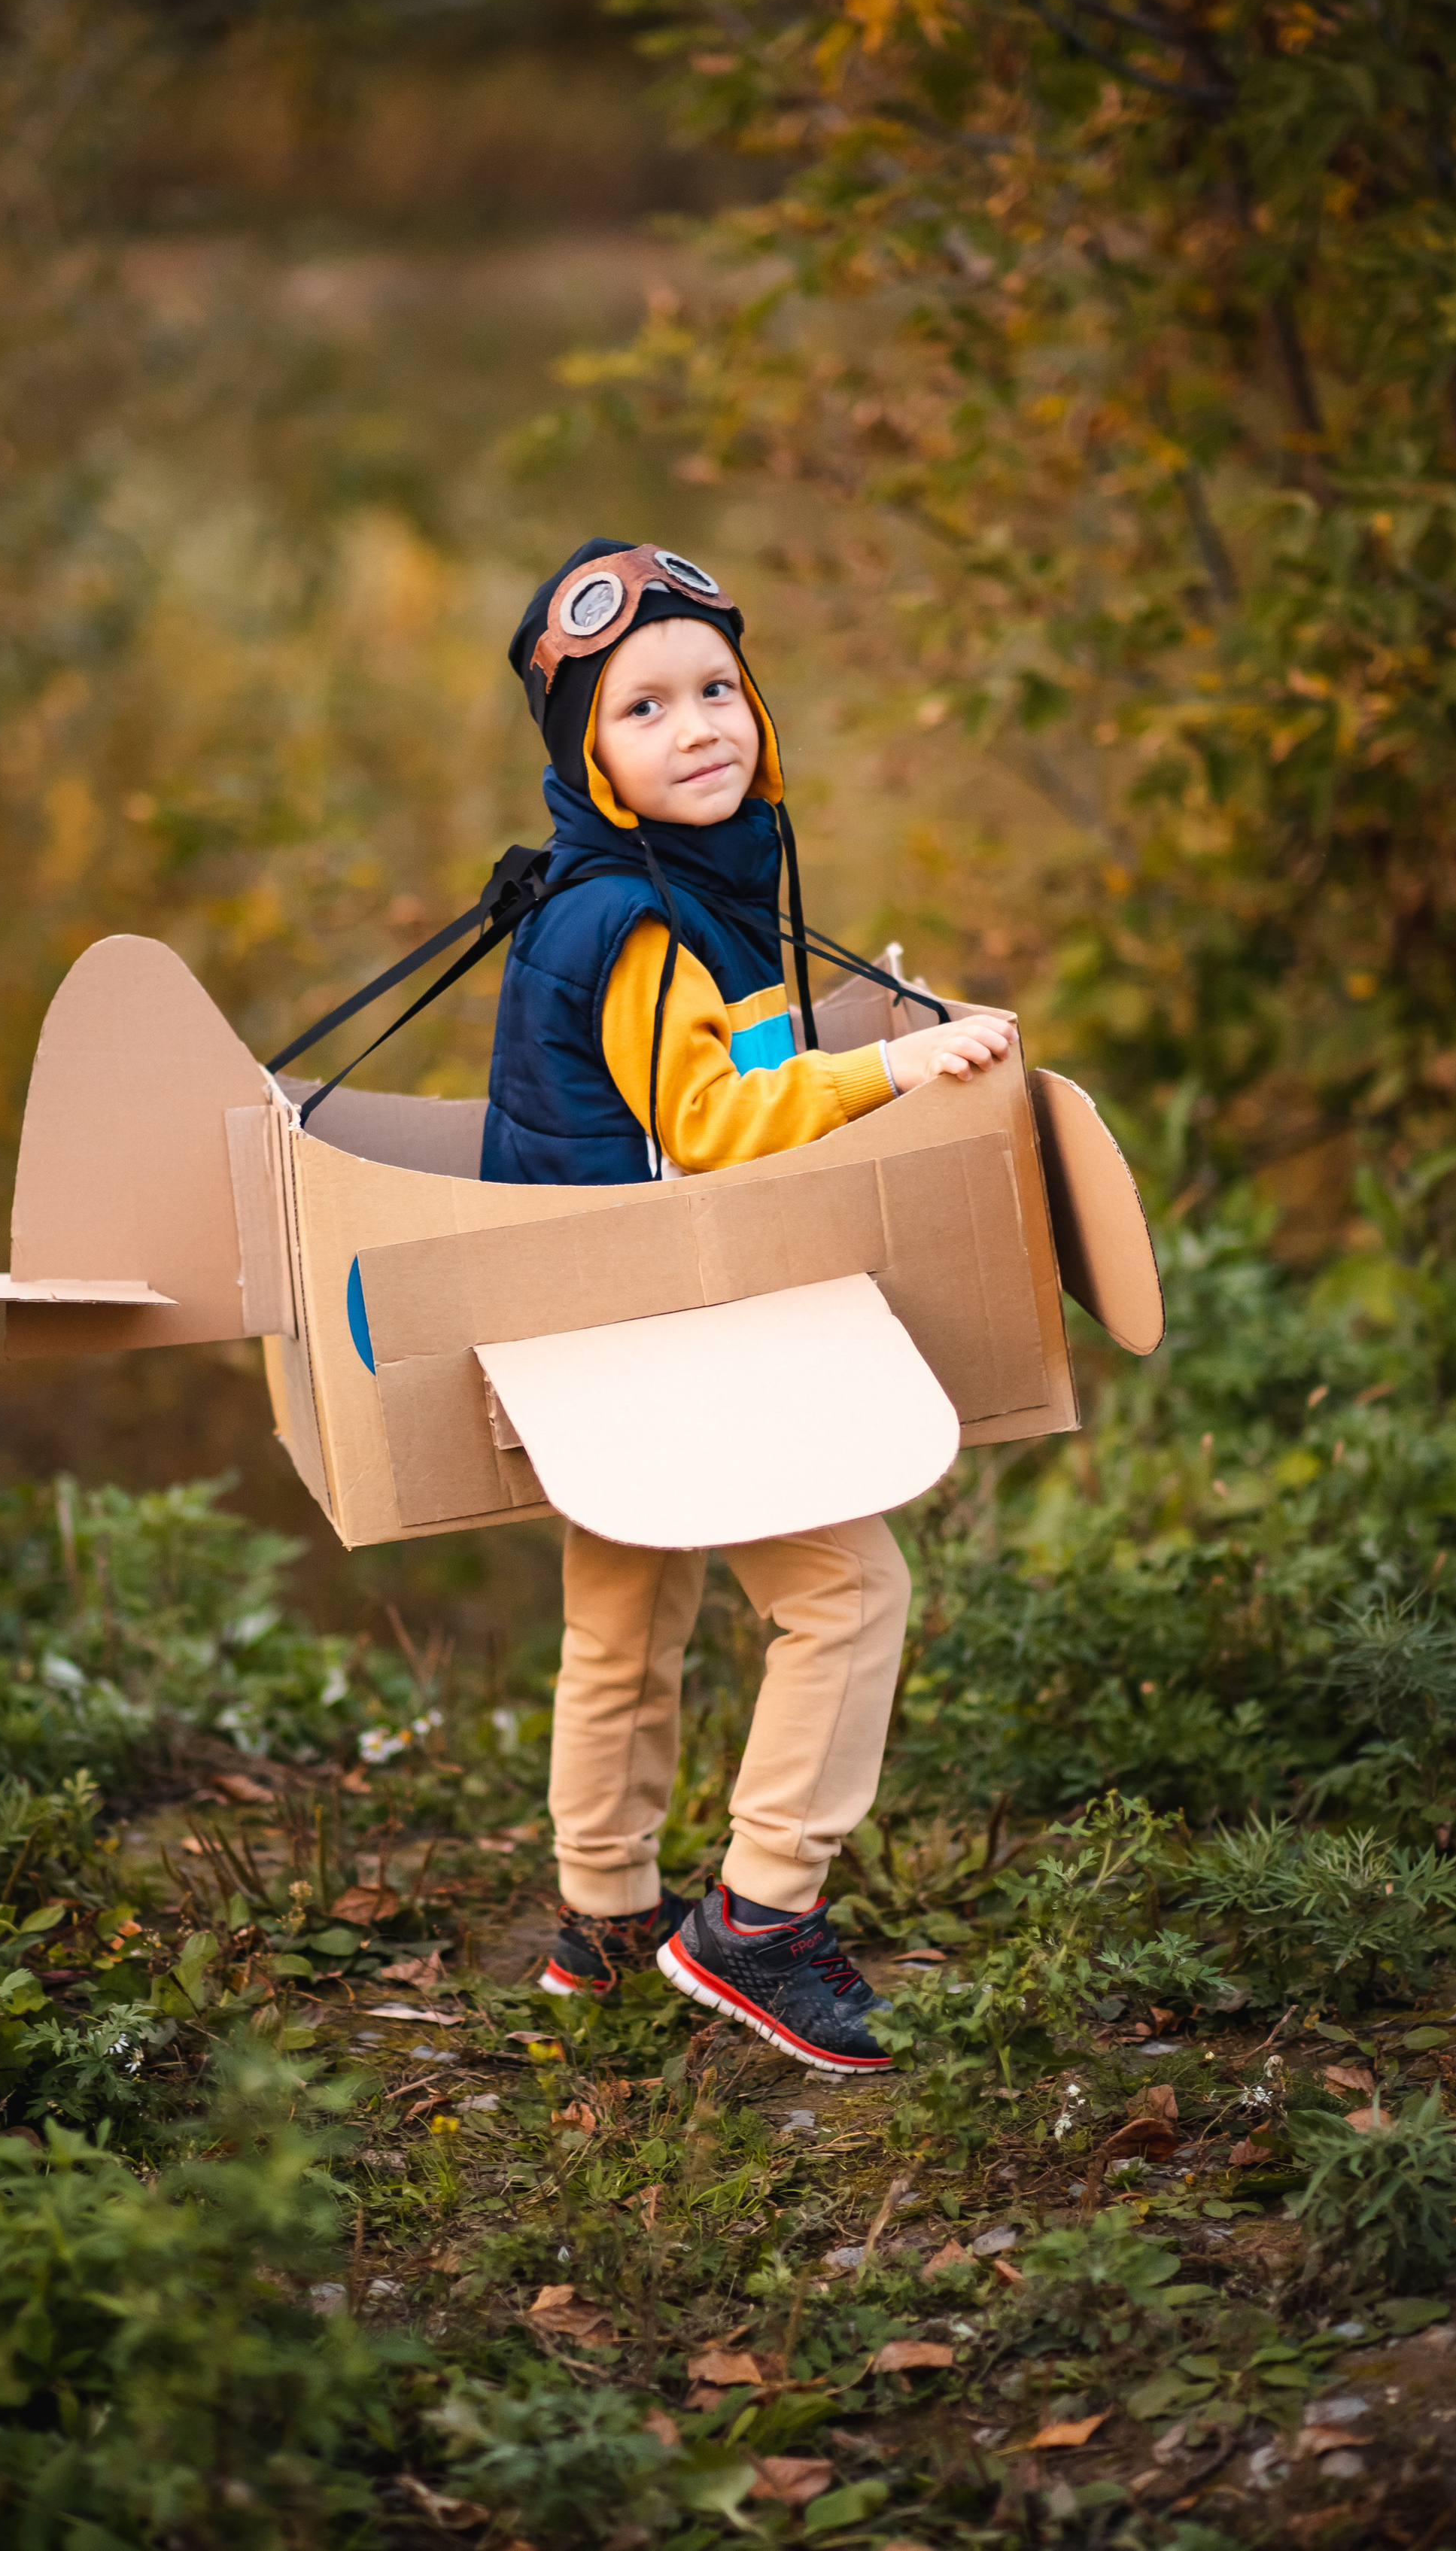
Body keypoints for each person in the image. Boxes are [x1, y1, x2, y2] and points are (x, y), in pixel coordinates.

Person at [484, 538, 1011, 2072]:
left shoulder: (650, 886)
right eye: (642, 708)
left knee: (625, 1619)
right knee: (850, 1593)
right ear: (587, 754)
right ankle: (761, 1920)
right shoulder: (637, 923)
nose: (698, 726)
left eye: (716, 688)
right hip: (664, 1330)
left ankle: (601, 1916)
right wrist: (888, 1068)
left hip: (593, 1322)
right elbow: (710, 1121)